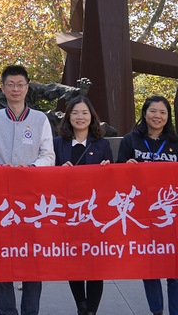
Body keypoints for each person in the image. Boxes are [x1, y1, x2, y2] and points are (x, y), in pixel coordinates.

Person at [0, 65, 55, 315]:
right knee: (0, 258)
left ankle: (31, 311)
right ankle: (6, 310)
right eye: (10, 84)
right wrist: (0, 168)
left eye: (20, 84)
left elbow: (49, 156)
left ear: (27, 88)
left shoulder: (40, 119)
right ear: (2, 88)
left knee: (32, 258)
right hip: (0, 198)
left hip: (32, 199)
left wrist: (30, 169)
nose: (15, 89)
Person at [116, 95, 178, 315]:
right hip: (142, 215)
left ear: (168, 117)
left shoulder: (177, 145)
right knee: (149, 268)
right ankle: (156, 310)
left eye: (163, 112)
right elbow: (118, 177)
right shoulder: (130, 141)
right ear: (144, 113)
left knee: (176, 270)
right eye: (153, 111)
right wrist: (125, 166)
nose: (157, 116)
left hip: (171, 216)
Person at [54, 96, 113, 315]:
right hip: (68, 214)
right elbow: (48, 176)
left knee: (96, 265)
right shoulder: (57, 143)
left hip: (95, 215)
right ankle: (81, 306)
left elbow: (112, 183)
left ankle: (91, 311)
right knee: (74, 264)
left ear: (92, 117)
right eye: (75, 113)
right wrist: (59, 171)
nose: (80, 117)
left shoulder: (102, 144)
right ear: (68, 117)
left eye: (84, 113)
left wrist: (108, 168)